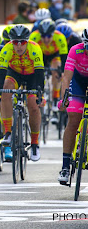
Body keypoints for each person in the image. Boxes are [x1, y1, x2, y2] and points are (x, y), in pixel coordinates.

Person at [0, 25, 44, 161]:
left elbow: (40, 74)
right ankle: (8, 132)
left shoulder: (35, 49)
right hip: (15, 73)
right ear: (11, 42)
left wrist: (41, 94)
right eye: (16, 42)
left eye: (23, 42)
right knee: (5, 90)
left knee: (33, 106)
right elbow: (1, 72)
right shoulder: (6, 50)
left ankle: (34, 143)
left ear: (27, 41)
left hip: (32, 75)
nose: (19, 46)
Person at [57, 28, 88, 184]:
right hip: (78, 83)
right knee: (73, 119)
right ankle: (65, 167)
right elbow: (66, 77)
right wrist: (64, 98)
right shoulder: (76, 50)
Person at [29, 18, 68, 124]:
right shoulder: (34, 36)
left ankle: (55, 100)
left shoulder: (60, 37)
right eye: (43, 36)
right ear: (39, 34)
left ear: (53, 34)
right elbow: (29, 55)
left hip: (53, 56)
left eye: (48, 36)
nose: (46, 39)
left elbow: (64, 56)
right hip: (40, 56)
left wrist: (62, 72)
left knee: (57, 71)